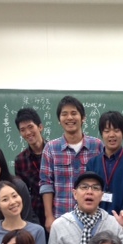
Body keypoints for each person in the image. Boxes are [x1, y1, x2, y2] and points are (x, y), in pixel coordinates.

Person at [39, 95, 103, 232]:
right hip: (62, 218)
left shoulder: (97, 146)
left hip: (93, 219)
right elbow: (46, 184)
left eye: (74, 113)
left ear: (83, 117)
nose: (69, 118)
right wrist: (49, 216)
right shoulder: (51, 148)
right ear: (59, 120)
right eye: (64, 114)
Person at [86, 111, 123, 231]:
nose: (112, 135)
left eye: (116, 130)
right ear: (101, 134)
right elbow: (90, 193)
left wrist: (121, 218)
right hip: (97, 224)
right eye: (107, 131)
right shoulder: (92, 163)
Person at [15, 107, 47, 227]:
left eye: (30, 127)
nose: (28, 133)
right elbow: (22, 192)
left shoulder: (55, 151)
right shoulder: (20, 160)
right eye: (23, 130)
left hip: (58, 209)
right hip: (35, 214)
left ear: (40, 127)